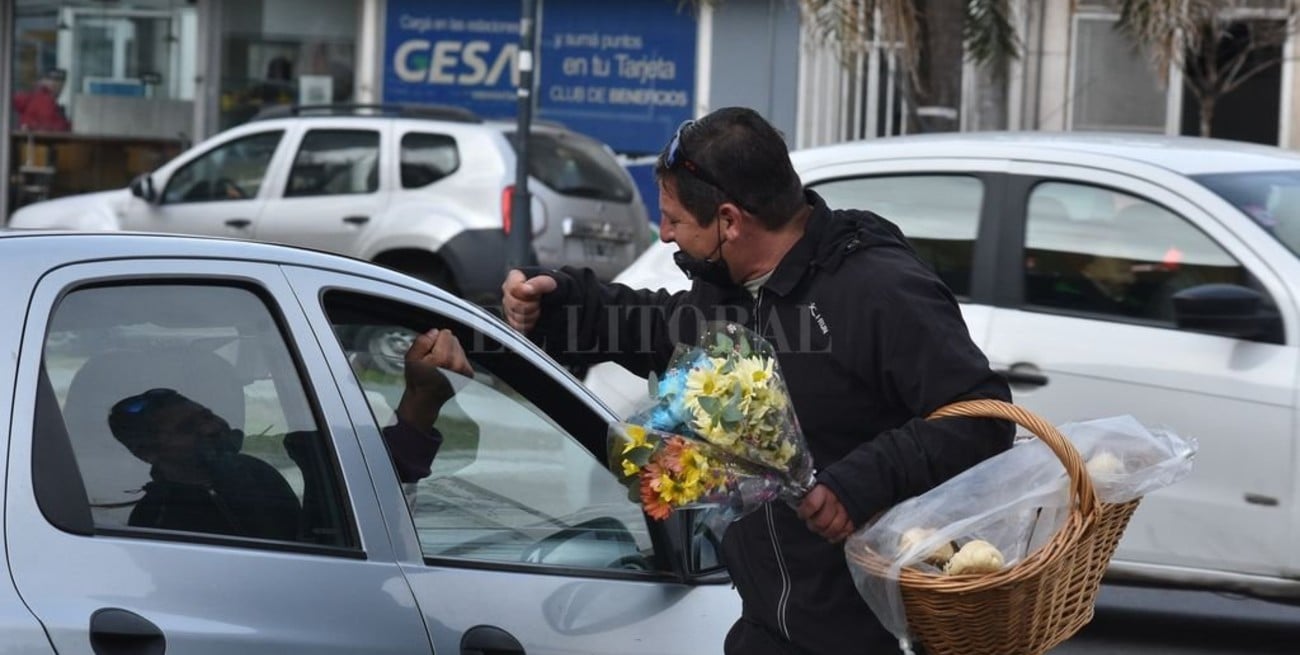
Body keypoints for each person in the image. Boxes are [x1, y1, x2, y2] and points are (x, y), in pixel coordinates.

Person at [501, 107, 1014, 654]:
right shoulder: (729, 287)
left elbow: (983, 416)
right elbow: (664, 328)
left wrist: (860, 483)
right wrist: (562, 304)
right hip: (766, 630)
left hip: (871, 636)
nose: (665, 233)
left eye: (674, 219)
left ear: (729, 221)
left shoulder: (878, 288)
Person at [107, 328, 471, 540]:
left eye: (207, 415)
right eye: (187, 428)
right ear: (146, 452)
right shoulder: (160, 520)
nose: (211, 427)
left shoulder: (252, 475)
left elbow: (328, 534)